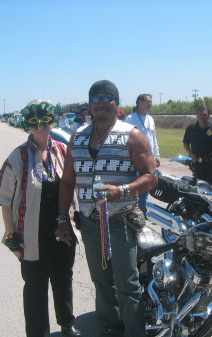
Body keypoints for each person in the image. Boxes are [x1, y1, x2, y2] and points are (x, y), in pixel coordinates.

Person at [57, 80, 157, 337]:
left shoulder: (132, 135)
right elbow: (67, 181)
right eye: (96, 99)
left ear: (117, 103)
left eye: (106, 98)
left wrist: (121, 191)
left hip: (120, 220)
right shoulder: (78, 137)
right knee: (101, 281)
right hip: (90, 221)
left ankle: (134, 331)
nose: (100, 104)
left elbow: (150, 177)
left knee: (127, 283)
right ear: (90, 104)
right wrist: (62, 218)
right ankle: (111, 326)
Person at [0, 100, 81, 337]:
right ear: (27, 124)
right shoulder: (18, 156)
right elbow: (5, 200)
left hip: (62, 229)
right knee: (35, 287)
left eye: (45, 120)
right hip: (31, 234)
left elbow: (73, 188)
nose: (40, 126)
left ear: (52, 122)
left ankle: (67, 324)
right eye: (34, 121)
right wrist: (10, 235)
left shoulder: (62, 151)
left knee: (63, 278)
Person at [125, 94, 160, 214]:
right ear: (139, 103)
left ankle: (142, 210)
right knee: (135, 185)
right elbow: (126, 139)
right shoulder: (131, 118)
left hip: (149, 158)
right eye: (148, 101)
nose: (150, 104)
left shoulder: (150, 119)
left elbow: (153, 138)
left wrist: (157, 155)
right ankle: (134, 210)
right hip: (136, 159)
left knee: (147, 184)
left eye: (151, 102)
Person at [183, 106, 212, 186]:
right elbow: (185, 143)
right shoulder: (191, 128)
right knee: (198, 188)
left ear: (208, 116)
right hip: (197, 164)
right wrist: (191, 154)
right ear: (197, 115)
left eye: (205, 115)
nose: (203, 116)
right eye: (201, 114)